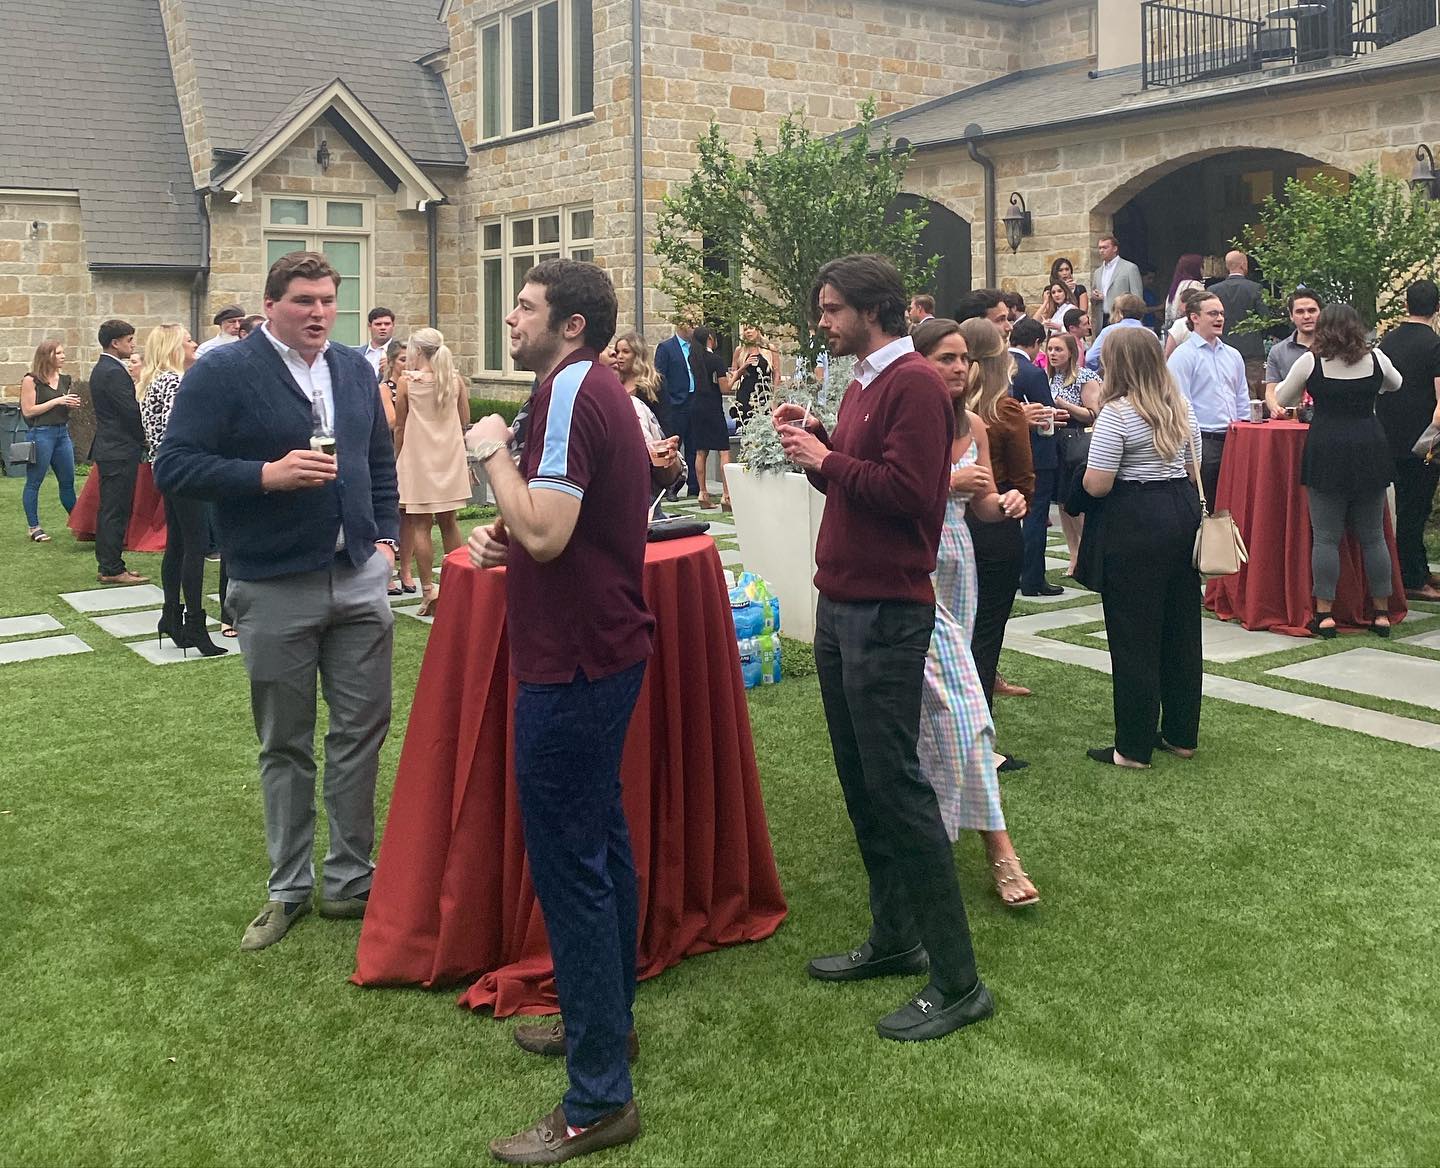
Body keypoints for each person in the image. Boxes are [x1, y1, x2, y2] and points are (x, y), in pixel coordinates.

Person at [773, 253, 992, 1043]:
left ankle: (959, 980)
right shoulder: (866, 381)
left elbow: (910, 496)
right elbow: (860, 479)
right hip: (845, 601)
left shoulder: (915, 385)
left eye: (831, 310)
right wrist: (821, 441)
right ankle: (895, 936)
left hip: (886, 611)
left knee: (897, 787)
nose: (822, 323)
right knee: (864, 782)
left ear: (873, 309)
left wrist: (827, 458)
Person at [153, 250, 399, 951]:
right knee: (285, 743)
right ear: (270, 306)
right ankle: (289, 886)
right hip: (272, 581)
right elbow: (174, 464)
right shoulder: (224, 370)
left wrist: (383, 543)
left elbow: (378, 460)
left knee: (360, 734)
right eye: (302, 300)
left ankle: (350, 878)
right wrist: (265, 474)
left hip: (356, 575)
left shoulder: (354, 367)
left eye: (327, 299)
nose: (318, 311)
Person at [465, 259, 652, 1164]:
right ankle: (603, 1033)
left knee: (574, 869)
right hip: (595, 649)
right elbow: (542, 531)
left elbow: (548, 529)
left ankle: (597, 1102)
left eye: (527, 305)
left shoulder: (573, 389)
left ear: (570, 325)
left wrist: (490, 451)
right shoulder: (582, 384)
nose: (511, 315)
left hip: (575, 662)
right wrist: (512, 533)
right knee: (601, 849)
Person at [912, 318, 1038, 907]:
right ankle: (999, 847)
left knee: (939, 698)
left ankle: (932, 821)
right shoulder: (908, 422)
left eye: (964, 359)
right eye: (945, 358)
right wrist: (951, 481)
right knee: (959, 703)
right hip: (914, 562)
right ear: (920, 363)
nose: (959, 368)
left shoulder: (975, 426)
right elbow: (893, 491)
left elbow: (982, 503)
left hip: (959, 562)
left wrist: (1003, 503)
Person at [1079, 327, 1204, 768]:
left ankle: (1132, 745)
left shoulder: (1117, 413)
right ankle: (1181, 733)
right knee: (1182, 630)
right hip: (1180, 512)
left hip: (1135, 518)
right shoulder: (1181, 407)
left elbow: (1098, 484)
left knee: (1134, 634)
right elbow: (1194, 470)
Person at [1275, 304, 1402, 637]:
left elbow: (1285, 396)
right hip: (1369, 445)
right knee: (1374, 536)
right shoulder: (1375, 358)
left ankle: (1325, 614)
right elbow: (1396, 385)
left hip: (1327, 448)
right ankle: (1381, 612)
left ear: (1323, 328)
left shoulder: (1312, 361)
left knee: (1326, 537)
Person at [958, 317, 1035, 743]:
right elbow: (1025, 479)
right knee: (985, 634)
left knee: (959, 633)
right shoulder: (1004, 409)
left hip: (955, 522)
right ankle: (978, 734)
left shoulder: (951, 409)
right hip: (995, 520)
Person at [138, 323, 226, 656]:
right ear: (175, 347)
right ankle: (195, 624)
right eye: (189, 340)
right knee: (196, 544)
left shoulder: (152, 381)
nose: (195, 344)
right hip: (186, 467)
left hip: (165, 466)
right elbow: (193, 426)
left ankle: (171, 616)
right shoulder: (174, 382)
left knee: (178, 543)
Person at [395, 327, 470, 617]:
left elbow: (400, 425)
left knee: (420, 526)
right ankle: (456, 587)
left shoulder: (407, 383)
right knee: (450, 523)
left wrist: (396, 457)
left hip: (418, 457)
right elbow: (464, 418)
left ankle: (428, 590)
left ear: (417, 351)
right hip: (448, 457)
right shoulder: (454, 381)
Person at [1378, 280, 1440, 601]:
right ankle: (1412, 577)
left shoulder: (1387, 342)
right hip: (1424, 442)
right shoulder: (1434, 344)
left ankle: (1415, 568)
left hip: (1390, 437)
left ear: (1406, 305)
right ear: (1437, 308)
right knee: (1417, 509)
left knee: (1404, 507)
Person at [1166, 291, 1249, 507]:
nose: (1220, 318)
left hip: (1234, 438)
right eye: (1212, 313)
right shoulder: (1183, 356)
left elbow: (1241, 397)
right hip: (1203, 441)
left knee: (1235, 504)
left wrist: (1245, 432)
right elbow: (1179, 403)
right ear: (1194, 317)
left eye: (1221, 313)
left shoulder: (1233, 355)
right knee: (1205, 505)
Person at [90, 318, 149, 585]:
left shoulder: (105, 368)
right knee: (115, 509)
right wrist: (145, 438)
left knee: (112, 508)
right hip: (118, 449)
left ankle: (111, 563)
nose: (132, 345)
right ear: (115, 343)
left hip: (112, 448)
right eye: (129, 340)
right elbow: (129, 412)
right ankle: (112, 567)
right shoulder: (112, 371)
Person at [1010, 317, 1061, 597]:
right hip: (1036, 454)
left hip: (1007, 452)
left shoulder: (999, 366)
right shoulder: (1032, 372)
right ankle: (1032, 578)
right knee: (1035, 516)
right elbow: (1046, 417)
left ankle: (1015, 572)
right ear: (1036, 344)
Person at [1045, 331, 1103, 575]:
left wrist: (1064, 406)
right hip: (1055, 441)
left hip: (1077, 439)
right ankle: (1074, 554)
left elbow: (1093, 412)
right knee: (1061, 501)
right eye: (1050, 349)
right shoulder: (1051, 377)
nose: (1053, 354)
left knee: (1076, 500)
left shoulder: (1085, 377)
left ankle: (1087, 552)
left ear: (1071, 352)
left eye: (1058, 349)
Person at [18, 340, 81, 543]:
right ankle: (34, 527)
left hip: (62, 434)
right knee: (35, 481)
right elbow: (28, 411)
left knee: (68, 482)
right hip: (41, 434)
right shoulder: (31, 380)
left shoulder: (65, 379)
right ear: (48, 356)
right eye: (59, 353)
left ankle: (79, 524)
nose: (63, 356)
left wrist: (70, 405)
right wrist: (57, 401)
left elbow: (61, 406)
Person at [612, 330, 682, 509]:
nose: (620, 356)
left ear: (637, 354)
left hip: (648, 458)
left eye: (625, 352)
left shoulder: (653, 384)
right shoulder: (612, 384)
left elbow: (666, 420)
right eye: (617, 351)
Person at [686, 325, 733, 510]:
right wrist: (736, 375)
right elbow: (725, 388)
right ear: (710, 339)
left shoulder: (693, 358)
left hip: (697, 405)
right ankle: (726, 494)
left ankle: (702, 492)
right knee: (723, 450)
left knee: (700, 451)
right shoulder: (716, 360)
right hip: (713, 406)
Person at [654, 315, 698, 500]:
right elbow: (659, 377)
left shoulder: (696, 348)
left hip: (694, 402)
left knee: (694, 446)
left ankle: (694, 486)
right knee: (674, 447)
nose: (694, 327)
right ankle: (671, 487)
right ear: (680, 324)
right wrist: (667, 402)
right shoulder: (666, 348)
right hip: (676, 404)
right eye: (690, 323)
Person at [1263, 288, 1323, 417]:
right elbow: (1270, 391)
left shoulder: (1334, 348)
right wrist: (1276, 408)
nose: (1307, 316)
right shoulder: (1278, 351)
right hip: (1290, 421)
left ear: (1321, 313)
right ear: (1291, 316)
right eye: (1300, 312)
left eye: (1312, 311)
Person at [1210, 250, 1267, 363]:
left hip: (1222, 348)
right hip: (1252, 349)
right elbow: (1265, 318)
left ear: (1227, 266)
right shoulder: (1255, 288)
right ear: (1243, 265)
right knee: (1253, 380)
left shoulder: (1213, 290)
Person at [1084, 293, 1152, 373]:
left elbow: (1090, 358)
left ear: (1120, 313)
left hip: (1114, 379)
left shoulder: (1109, 332)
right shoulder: (1150, 334)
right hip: (1143, 380)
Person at [730, 323, 779, 423]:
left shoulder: (769, 348)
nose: (748, 332)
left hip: (765, 391)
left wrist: (775, 399)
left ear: (758, 330)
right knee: (745, 424)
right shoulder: (740, 350)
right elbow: (733, 376)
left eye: (751, 328)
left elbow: (777, 374)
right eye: (745, 329)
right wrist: (744, 367)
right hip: (746, 392)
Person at [1090, 234, 1142, 325]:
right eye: (1100, 248)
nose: (1101, 251)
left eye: (1105, 248)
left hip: (1122, 318)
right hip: (1102, 319)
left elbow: (1137, 298)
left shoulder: (1129, 268)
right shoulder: (1097, 272)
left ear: (1115, 249)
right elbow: (1093, 295)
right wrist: (1094, 297)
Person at [1161, 286, 1215, 360]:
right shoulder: (1207, 322)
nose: (1179, 305)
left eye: (1180, 302)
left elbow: (1168, 352)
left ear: (1186, 304)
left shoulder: (1179, 324)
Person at [1164, 253, 1206, 329]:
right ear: (1194, 268)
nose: (1203, 270)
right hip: (1188, 327)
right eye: (1202, 266)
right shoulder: (1194, 285)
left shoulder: (1176, 286)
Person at [358, 306, 396, 378]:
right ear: (369, 326)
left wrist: (391, 369)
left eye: (387, 324)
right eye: (378, 324)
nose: (383, 328)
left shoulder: (401, 353)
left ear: (393, 325)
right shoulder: (357, 354)